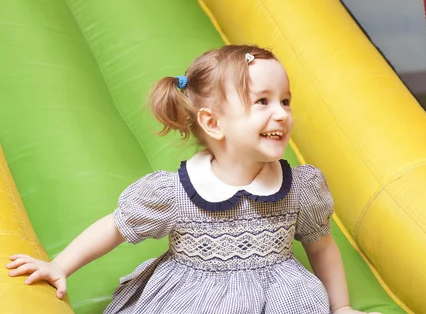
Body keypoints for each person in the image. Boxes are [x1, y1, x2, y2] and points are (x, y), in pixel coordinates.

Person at [6, 44, 381, 314]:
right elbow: (115, 227)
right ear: (213, 123)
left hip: (281, 299)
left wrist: (342, 306)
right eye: (262, 102)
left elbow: (320, 245)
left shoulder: (299, 188)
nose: (281, 114)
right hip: (195, 298)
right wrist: (60, 265)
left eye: (285, 101)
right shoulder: (176, 193)